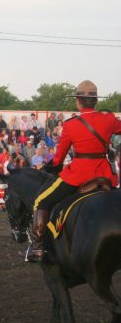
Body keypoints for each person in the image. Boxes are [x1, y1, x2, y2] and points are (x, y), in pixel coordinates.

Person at [28, 80, 121, 262]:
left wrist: (51, 166)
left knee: (41, 201)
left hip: (78, 176)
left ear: (78, 101)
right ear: (95, 101)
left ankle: (38, 247)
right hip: (105, 176)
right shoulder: (109, 119)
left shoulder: (71, 125)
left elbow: (59, 158)